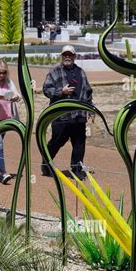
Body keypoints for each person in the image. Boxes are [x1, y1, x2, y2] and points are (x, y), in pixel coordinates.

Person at [41, 45, 94, 181]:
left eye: (70, 55)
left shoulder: (81, 72)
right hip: (61, 116)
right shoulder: (55, 71)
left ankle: (77, 169)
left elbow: (87, 92)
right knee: (57, 141)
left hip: (79, 116)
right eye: (65, 55)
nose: (67, 57)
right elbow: (46, 89)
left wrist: (91, 109)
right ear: (62, 56)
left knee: (79, 143)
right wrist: (61, 91)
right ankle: (46, 164)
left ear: (74, 56)